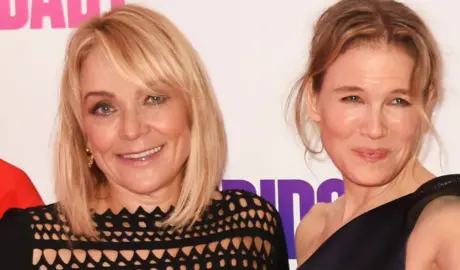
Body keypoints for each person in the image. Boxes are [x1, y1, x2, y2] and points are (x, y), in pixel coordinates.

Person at [0, 4, 289, 269]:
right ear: (83, 133)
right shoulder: (24, 243)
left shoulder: (251, 227)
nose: (132, 129)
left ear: (192, 109)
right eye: (104, 108)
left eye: (153, 98)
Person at [290, 0, 460, 269]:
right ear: (313, 98)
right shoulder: (313, 227)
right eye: (353, 98)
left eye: (398, 101)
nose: (375, 129)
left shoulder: (451, 224)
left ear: (427, 104)